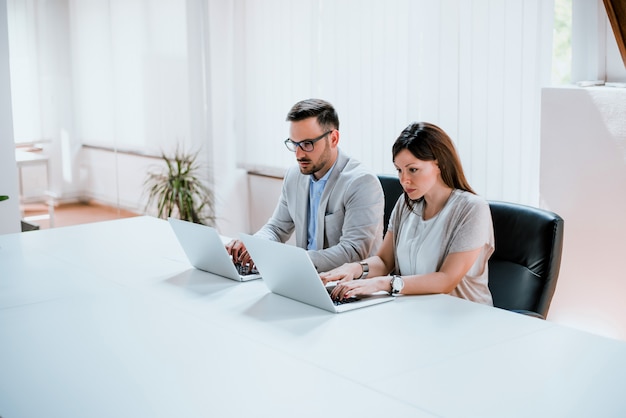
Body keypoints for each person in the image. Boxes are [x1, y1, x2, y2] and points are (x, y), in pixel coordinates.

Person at [319, 122, 494, 305]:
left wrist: (383, 283)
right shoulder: (406, 203)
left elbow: (446, 280)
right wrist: (354, 269)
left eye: (413, 169)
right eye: (399, 170)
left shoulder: (472, 209)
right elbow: (384, 261)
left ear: (440, 164)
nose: (404, 180)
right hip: (415, 313)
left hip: (463, 318)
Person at [226, 98, 384, 272]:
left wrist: (292, 259)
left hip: (347, 286)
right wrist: (254, 244)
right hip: (304, 276)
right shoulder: (294, 175)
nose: (299, 154)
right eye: (294, 144)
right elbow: (277, 228)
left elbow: (353, 252)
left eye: (307, 144)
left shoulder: (361, 183)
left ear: (333, 138)